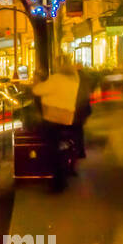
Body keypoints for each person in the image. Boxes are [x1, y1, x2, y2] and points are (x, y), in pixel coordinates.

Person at [33, 59, 81, 190]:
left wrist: (36, 79)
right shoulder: (74, 81)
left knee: (51, 149)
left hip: (53, 118)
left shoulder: (56, 79)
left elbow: (38, 91)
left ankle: (57, 182)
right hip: (67, 118)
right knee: (62, 148)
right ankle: (66, 171)